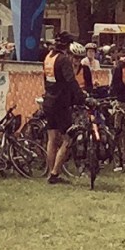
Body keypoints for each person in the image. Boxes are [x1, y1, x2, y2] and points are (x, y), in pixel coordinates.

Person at [41, 32, 84, 185]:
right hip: (60, 102)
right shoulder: (63, 59)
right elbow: (70, 81)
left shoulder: (48, 57)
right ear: (67, 45)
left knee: (52, 139)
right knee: (68, 138)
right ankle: (55, 173)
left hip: (49, 100)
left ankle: (50, 171)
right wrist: (81, 97)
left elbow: (45, 79)